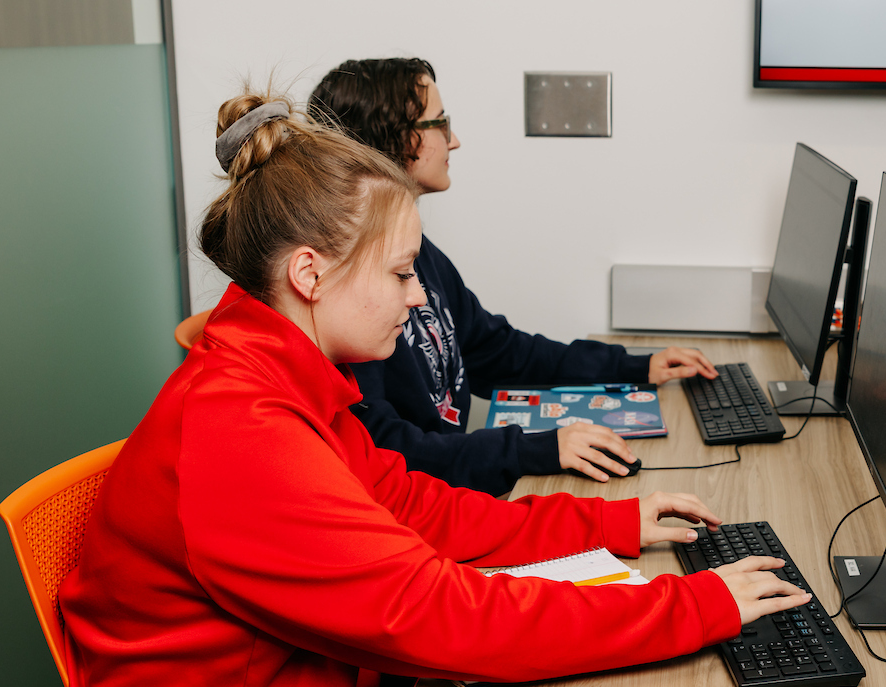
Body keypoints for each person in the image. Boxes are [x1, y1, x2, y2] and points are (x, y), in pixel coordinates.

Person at [58, 90, 809, 687]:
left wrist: (610, 525)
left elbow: (415, 511)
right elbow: (443, 616)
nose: (418, 296)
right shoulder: (240, 432)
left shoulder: (280, 375)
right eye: (400, 272)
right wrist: (693, 605)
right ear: (310, 274)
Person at [308, 58, 720, 496]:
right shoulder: (347, 301)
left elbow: (497, 352)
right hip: (424, 513)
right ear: (392, 135)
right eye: (441, 123)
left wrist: (632, 366)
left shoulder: (419, 256)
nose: (456, 141)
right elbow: (386, 454)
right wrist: (529, 450)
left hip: (454, 500)